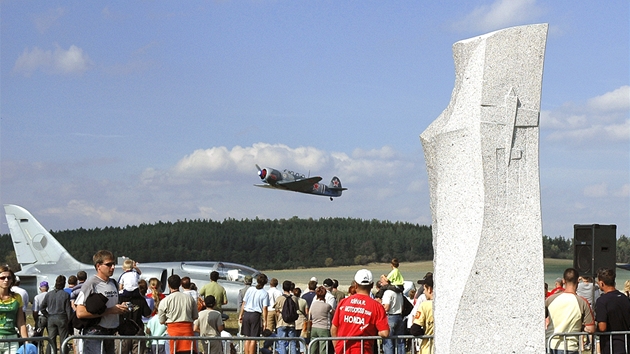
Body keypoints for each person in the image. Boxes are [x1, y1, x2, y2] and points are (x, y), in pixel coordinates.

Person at [75, 250, 128, 354]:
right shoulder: (90, 284)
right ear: (98, 266)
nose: (112, 267)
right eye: (108, 264)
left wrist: (121, 308)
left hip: (110, 332)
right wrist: (110, 311)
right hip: (95, 332)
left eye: (113, 264)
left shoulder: (113, 283)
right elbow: (80, 313)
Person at [331, 269, 389, 354]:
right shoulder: (377, 306)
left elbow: (334, 328)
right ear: (372, 285)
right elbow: (385, 333)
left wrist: (337, 348)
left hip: (342, 349)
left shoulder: (343, 302)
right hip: (363, 350)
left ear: (355, 285)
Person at [545, 268, 595, 353]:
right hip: (570, 346)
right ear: (577, 282)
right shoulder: (582, 302)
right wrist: (581, 326)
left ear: (563, 281)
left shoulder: (550, 299)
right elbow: (591, 329)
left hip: (550, 343)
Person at [158, 274, 199, 354]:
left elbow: (161, 321)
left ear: (169, 285)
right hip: (188, 333)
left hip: (172, 333)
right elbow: (195, 316)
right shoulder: (190, 299)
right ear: (180, 284)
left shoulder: (165, 301)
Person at [595, 268, 630, 354]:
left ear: (601, 283)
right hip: (626, 344)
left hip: (610, 346)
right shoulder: (625, 298)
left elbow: (602, 327)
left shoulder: (602, 301)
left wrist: (593, 329)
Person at [0, 265, 28, 354]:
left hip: (12, 338)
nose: (6, 280)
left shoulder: (17, 297)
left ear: (12, 280)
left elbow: (21, 322)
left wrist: (26, 341)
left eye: (9, 277)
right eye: (2, 277)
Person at [41, 275, 73, 352]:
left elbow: (42, 307)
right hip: (62, 317)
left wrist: (47, 315)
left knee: (51, 339)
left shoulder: (49, 294)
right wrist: (69, 321)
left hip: (51, 318)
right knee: (63, 340)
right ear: (64, 283)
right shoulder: (65, 294)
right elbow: (68, 310)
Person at [239, 273, 269, 354]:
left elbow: (244, 303)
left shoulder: (250, 289)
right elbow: (265, 308)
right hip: (255, 315)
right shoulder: (264, 293)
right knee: (253, 338)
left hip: (247, 313)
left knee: (247, 337)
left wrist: (241, 315)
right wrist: (265, 321)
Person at [409, 274, 434, 354]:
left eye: (424, 289)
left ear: (429, 289)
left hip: (428, 348)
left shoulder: (425, 305)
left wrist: (424, 332)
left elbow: (415, 330)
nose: (423, 292)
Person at [380, 277, 405, 354]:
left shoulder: (388, 292)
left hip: (391, 316)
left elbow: (386, 307)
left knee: (388, 342)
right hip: (400, 316)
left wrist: (380, 308)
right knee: (400, 342)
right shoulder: (399, 293)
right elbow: (403, 307)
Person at [274, 280, 299, 354]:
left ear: (283, 288)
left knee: (281, 343)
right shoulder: (294, 298)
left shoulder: (280, 298)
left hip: (281, 322)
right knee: (293, 343)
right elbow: (296, 309)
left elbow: (276, 309)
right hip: (291, 323)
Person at [309, 286, 333, 354]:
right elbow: (333, 313)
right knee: (323, 349)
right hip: (324, 328)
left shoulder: (313, 304)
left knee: (312, 348)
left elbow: (310, 313)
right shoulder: (327, 306)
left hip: (314, 327)